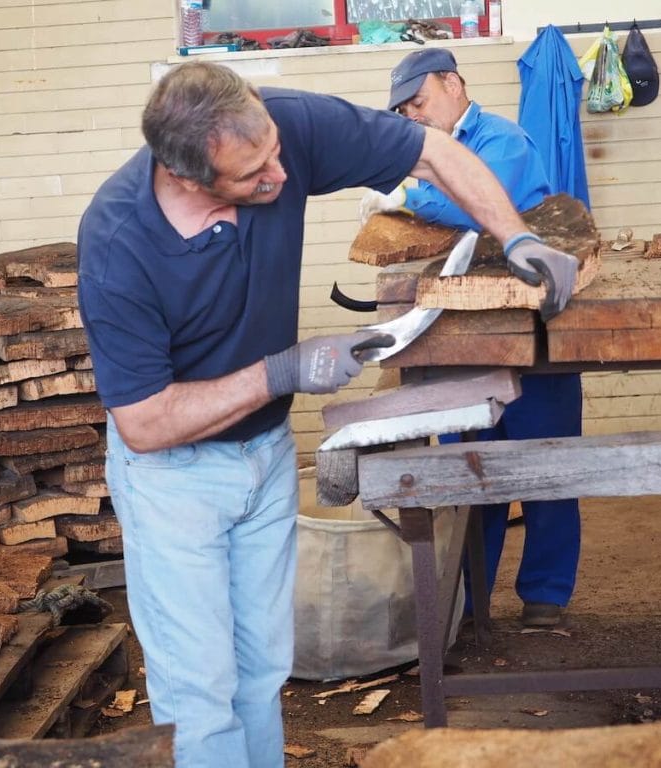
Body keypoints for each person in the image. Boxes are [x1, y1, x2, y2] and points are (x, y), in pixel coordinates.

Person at [77, 60, 579, 768]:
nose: (281, 177)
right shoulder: (118, 245)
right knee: (199, 694)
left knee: (260, 675)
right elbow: (145, 422)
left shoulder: (285, 126)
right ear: (190, 178)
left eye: (276, 152)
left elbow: (433, 150)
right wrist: (281, 372)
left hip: (264, 452)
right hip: (173, 480)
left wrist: (519, 235)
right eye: (254, 175)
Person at [362, 47, 583, 629]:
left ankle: (545, 594)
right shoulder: (432, 149)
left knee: (548, 468)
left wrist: (410, 197)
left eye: (420, 101)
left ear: (454, 83)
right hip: (463, 337)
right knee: (470, 475)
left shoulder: (503, 140)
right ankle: (469, 598)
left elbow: (478, 202)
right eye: (406, 110)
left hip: (532, 329)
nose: (415, 115)